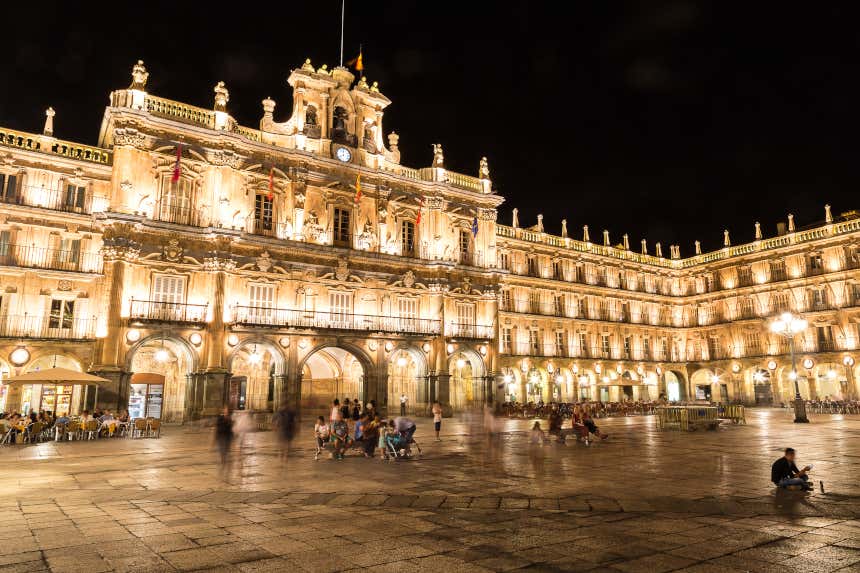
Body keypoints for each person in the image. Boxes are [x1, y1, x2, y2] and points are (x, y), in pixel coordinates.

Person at [214, 407, 234, 476]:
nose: (225, 411)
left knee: (226, 453)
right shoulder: (220, 418)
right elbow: (217, 428)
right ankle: (224, 464)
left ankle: (226, 466)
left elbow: (231, 430)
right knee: (222, 453)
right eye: (224, 410)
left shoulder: (230, 419)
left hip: (227, 439)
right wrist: (214, 440)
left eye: (226, 410)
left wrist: (232, 439)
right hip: (220, 439)